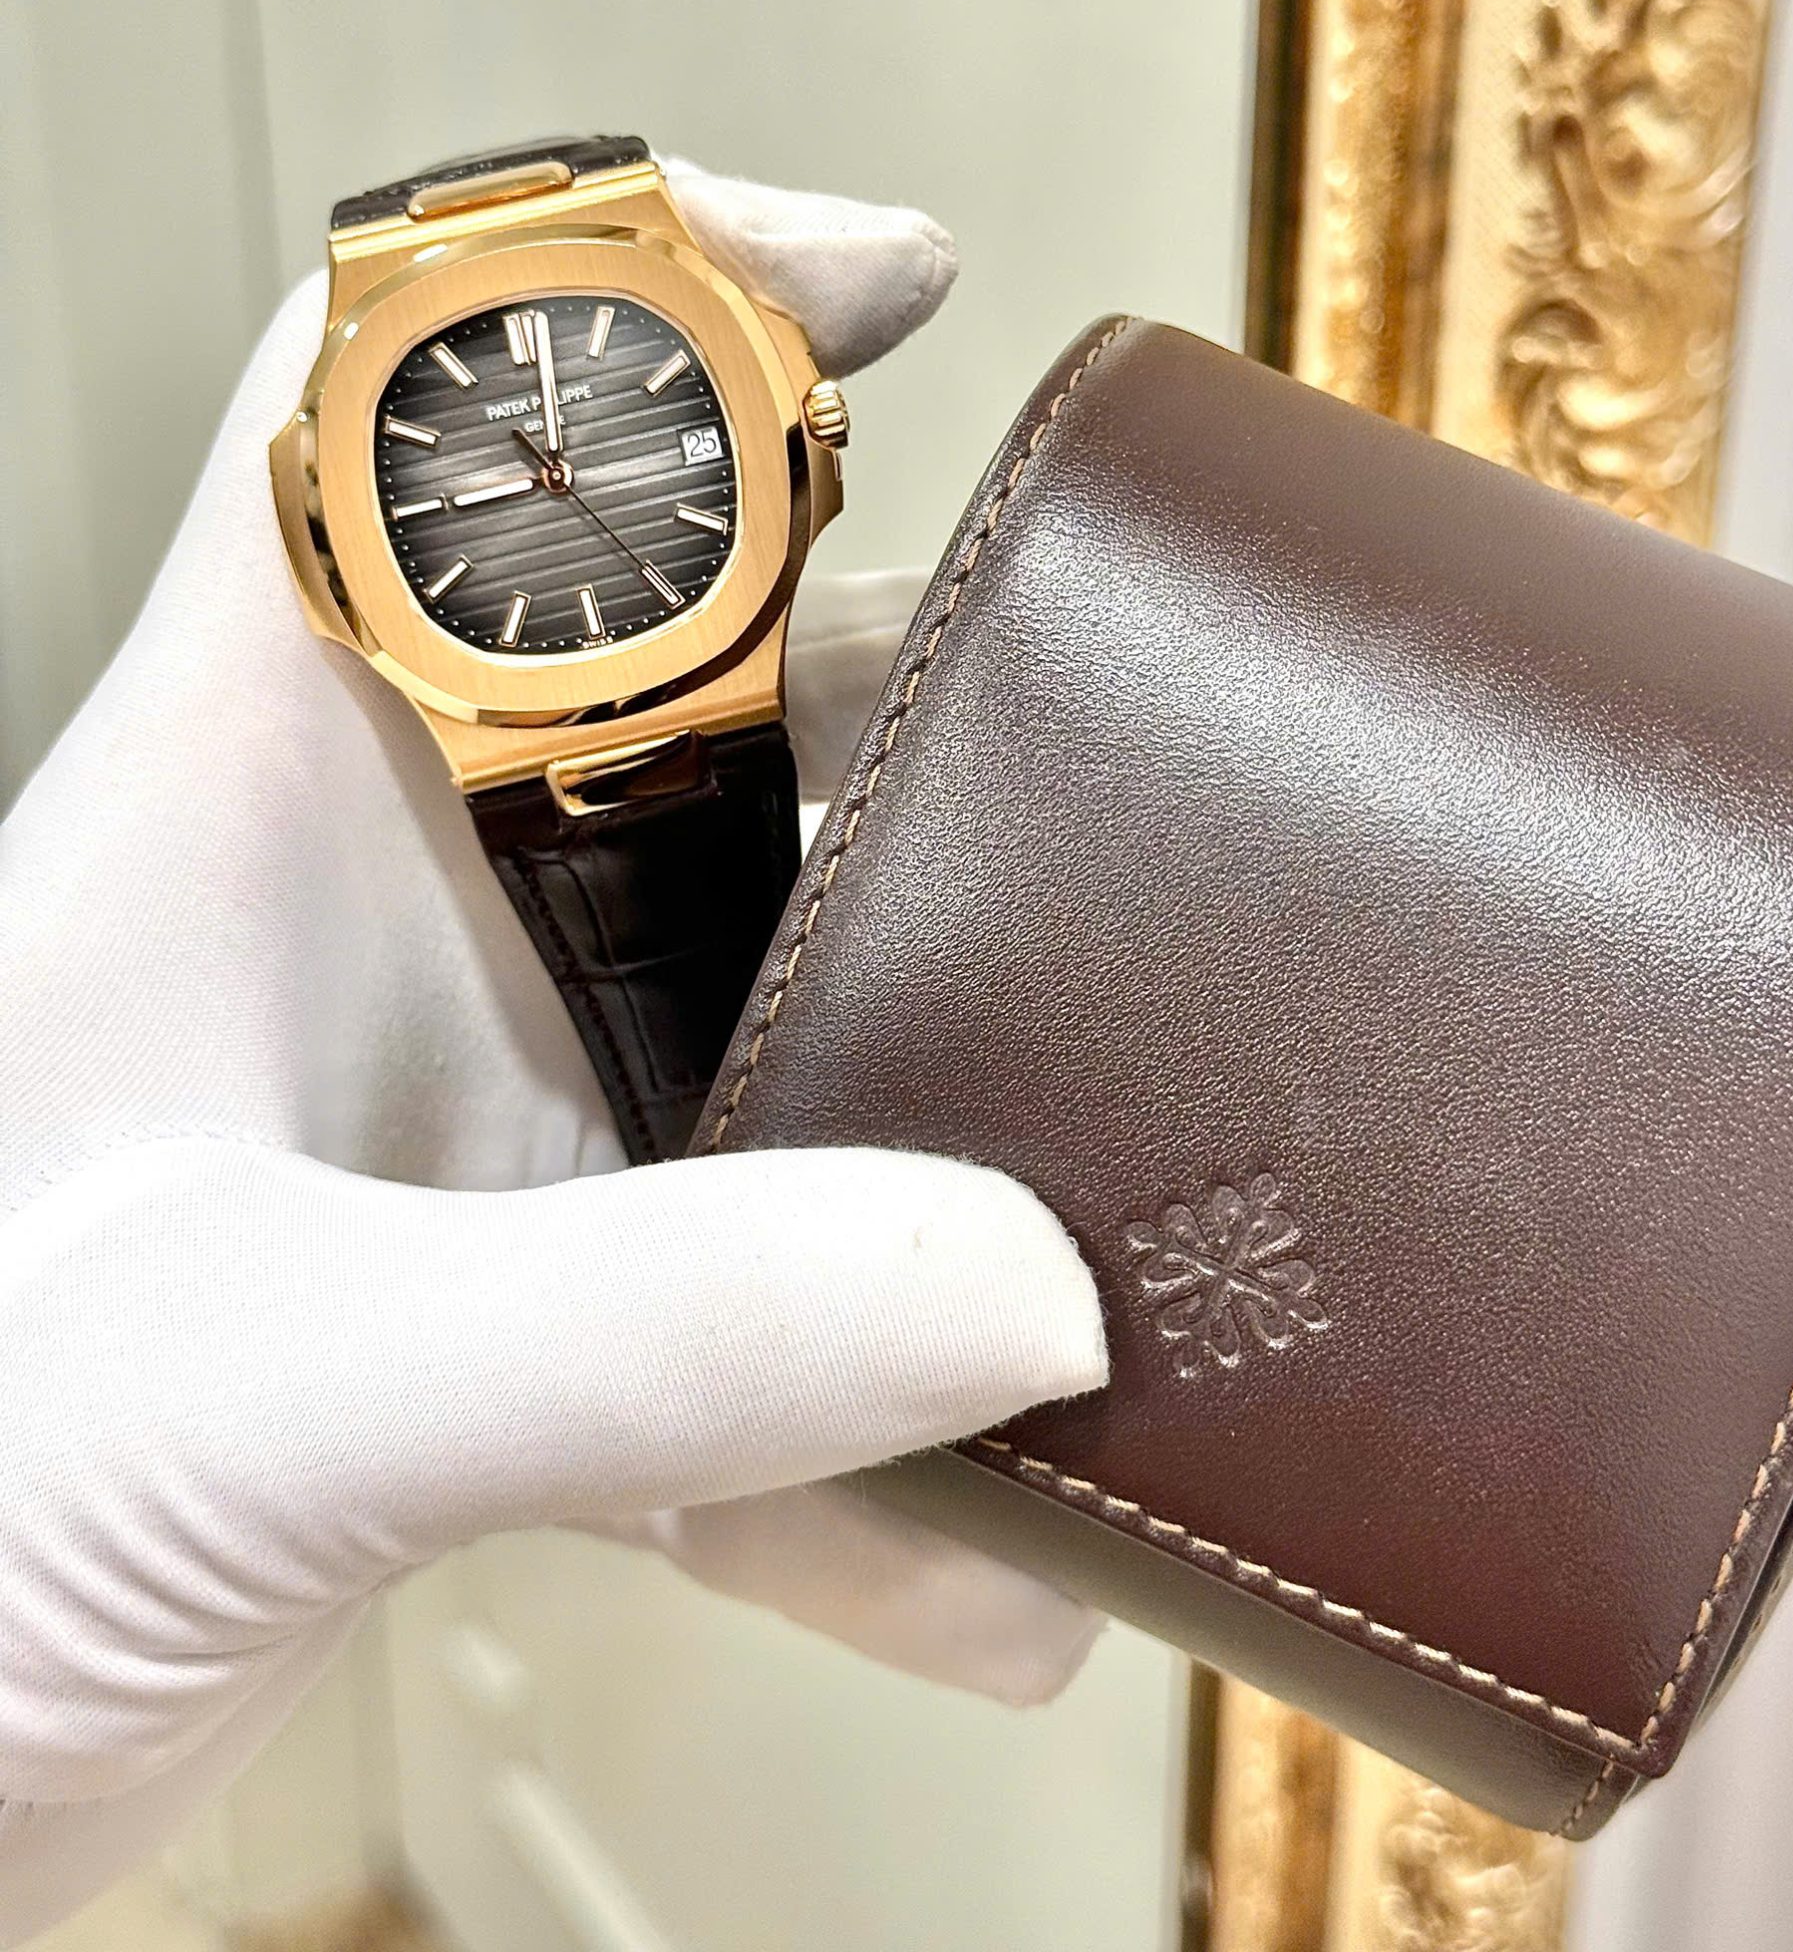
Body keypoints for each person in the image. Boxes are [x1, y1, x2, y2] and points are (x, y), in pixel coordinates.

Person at [0, 160, 1108, 1945]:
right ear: (330, 556)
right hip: (516, 739)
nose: (542, 470)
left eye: (564, 460)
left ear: (797, 439)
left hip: (695, 686)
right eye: (506, 475)